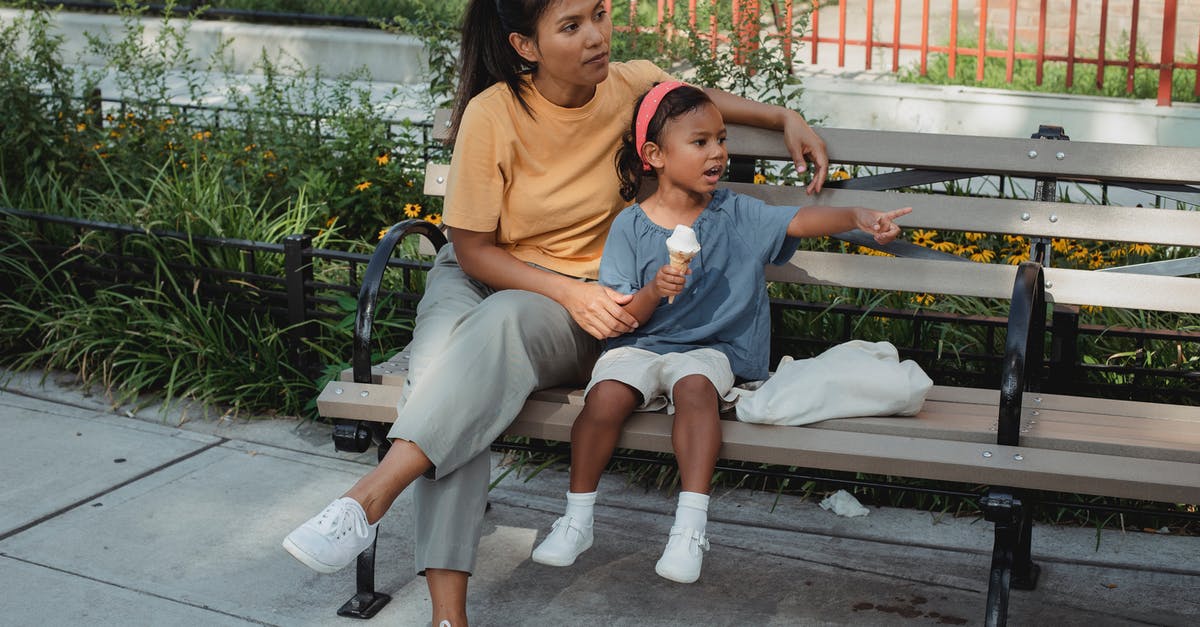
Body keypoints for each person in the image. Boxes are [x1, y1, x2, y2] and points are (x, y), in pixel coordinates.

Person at [282, 1, 832, 624]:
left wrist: (784, 115)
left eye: (598, 13)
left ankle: (368, 502)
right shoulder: (493, 113)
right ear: (527, 44)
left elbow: (696, 99)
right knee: (445, 383)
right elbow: (472, 250)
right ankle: (445, 614)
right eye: (571, 27)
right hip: (478, 276)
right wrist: (569, 292)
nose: (597, 36)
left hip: (570, 306)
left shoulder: (627, 87)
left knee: (478, 352)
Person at [529, 83, 911, 583]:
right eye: (700, 142)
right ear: (655, 155)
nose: (717, 153)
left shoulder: (737, 214)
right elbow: (624, 315)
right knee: (604, 397)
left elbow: (798, 219)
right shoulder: (630, 227)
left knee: (695, 390)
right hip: (639, 346)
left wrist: (856, 217)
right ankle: (577, 519)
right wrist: (654, 289)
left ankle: (689, 528)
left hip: (711, 351)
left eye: (721, 140)